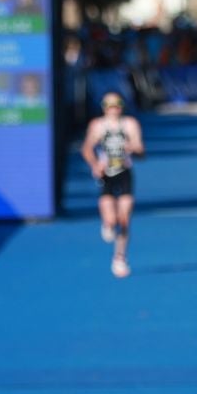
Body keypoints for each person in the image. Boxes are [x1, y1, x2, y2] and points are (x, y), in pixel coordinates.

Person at [81, 91, 143, 277]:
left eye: (117, 104)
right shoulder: (98, 126)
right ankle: (107, 224)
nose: (114, 109)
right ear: (104, 107)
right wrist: (95, 165)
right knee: (111, 220)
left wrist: (133, 148)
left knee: (124, 219)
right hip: (106, 175)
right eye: (110, 105)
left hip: (124, 173)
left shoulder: (130, 124)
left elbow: (141, 151)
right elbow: (86, 148)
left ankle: (120, 257)